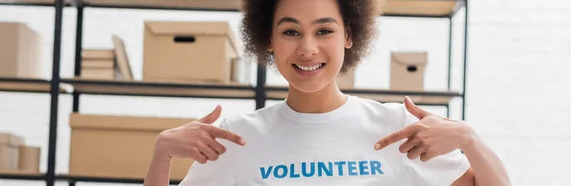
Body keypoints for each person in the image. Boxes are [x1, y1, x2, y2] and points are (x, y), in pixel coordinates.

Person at [144, 0, 511, 185]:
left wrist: (470, 139)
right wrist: (162, 153)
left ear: (349, 36)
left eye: (324, 31)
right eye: (290, 32)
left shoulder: (396, 128)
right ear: (268, 38)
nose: (307, 48)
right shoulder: (236, 138)